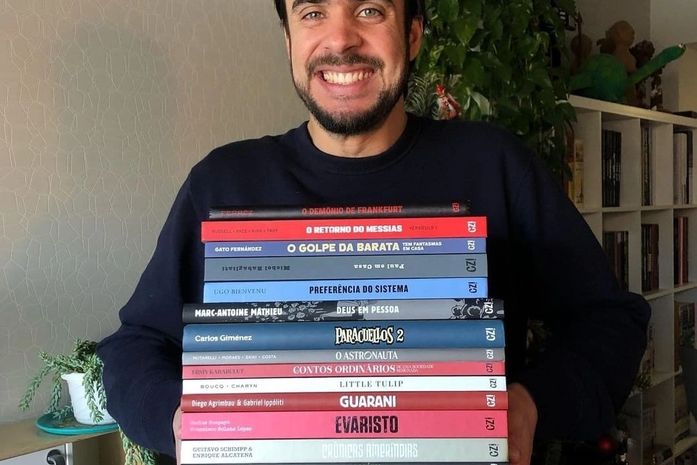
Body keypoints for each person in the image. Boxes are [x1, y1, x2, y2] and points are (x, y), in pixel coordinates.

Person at [97, 1, 651, 465]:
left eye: (369, 10)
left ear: (413, 35)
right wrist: (182, 421)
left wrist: (529, 404)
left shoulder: (495, 167)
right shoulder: (222, 183)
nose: (341, 39)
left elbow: (611, 321)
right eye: (312, 13)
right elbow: (135, 348)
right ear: (288, 39)